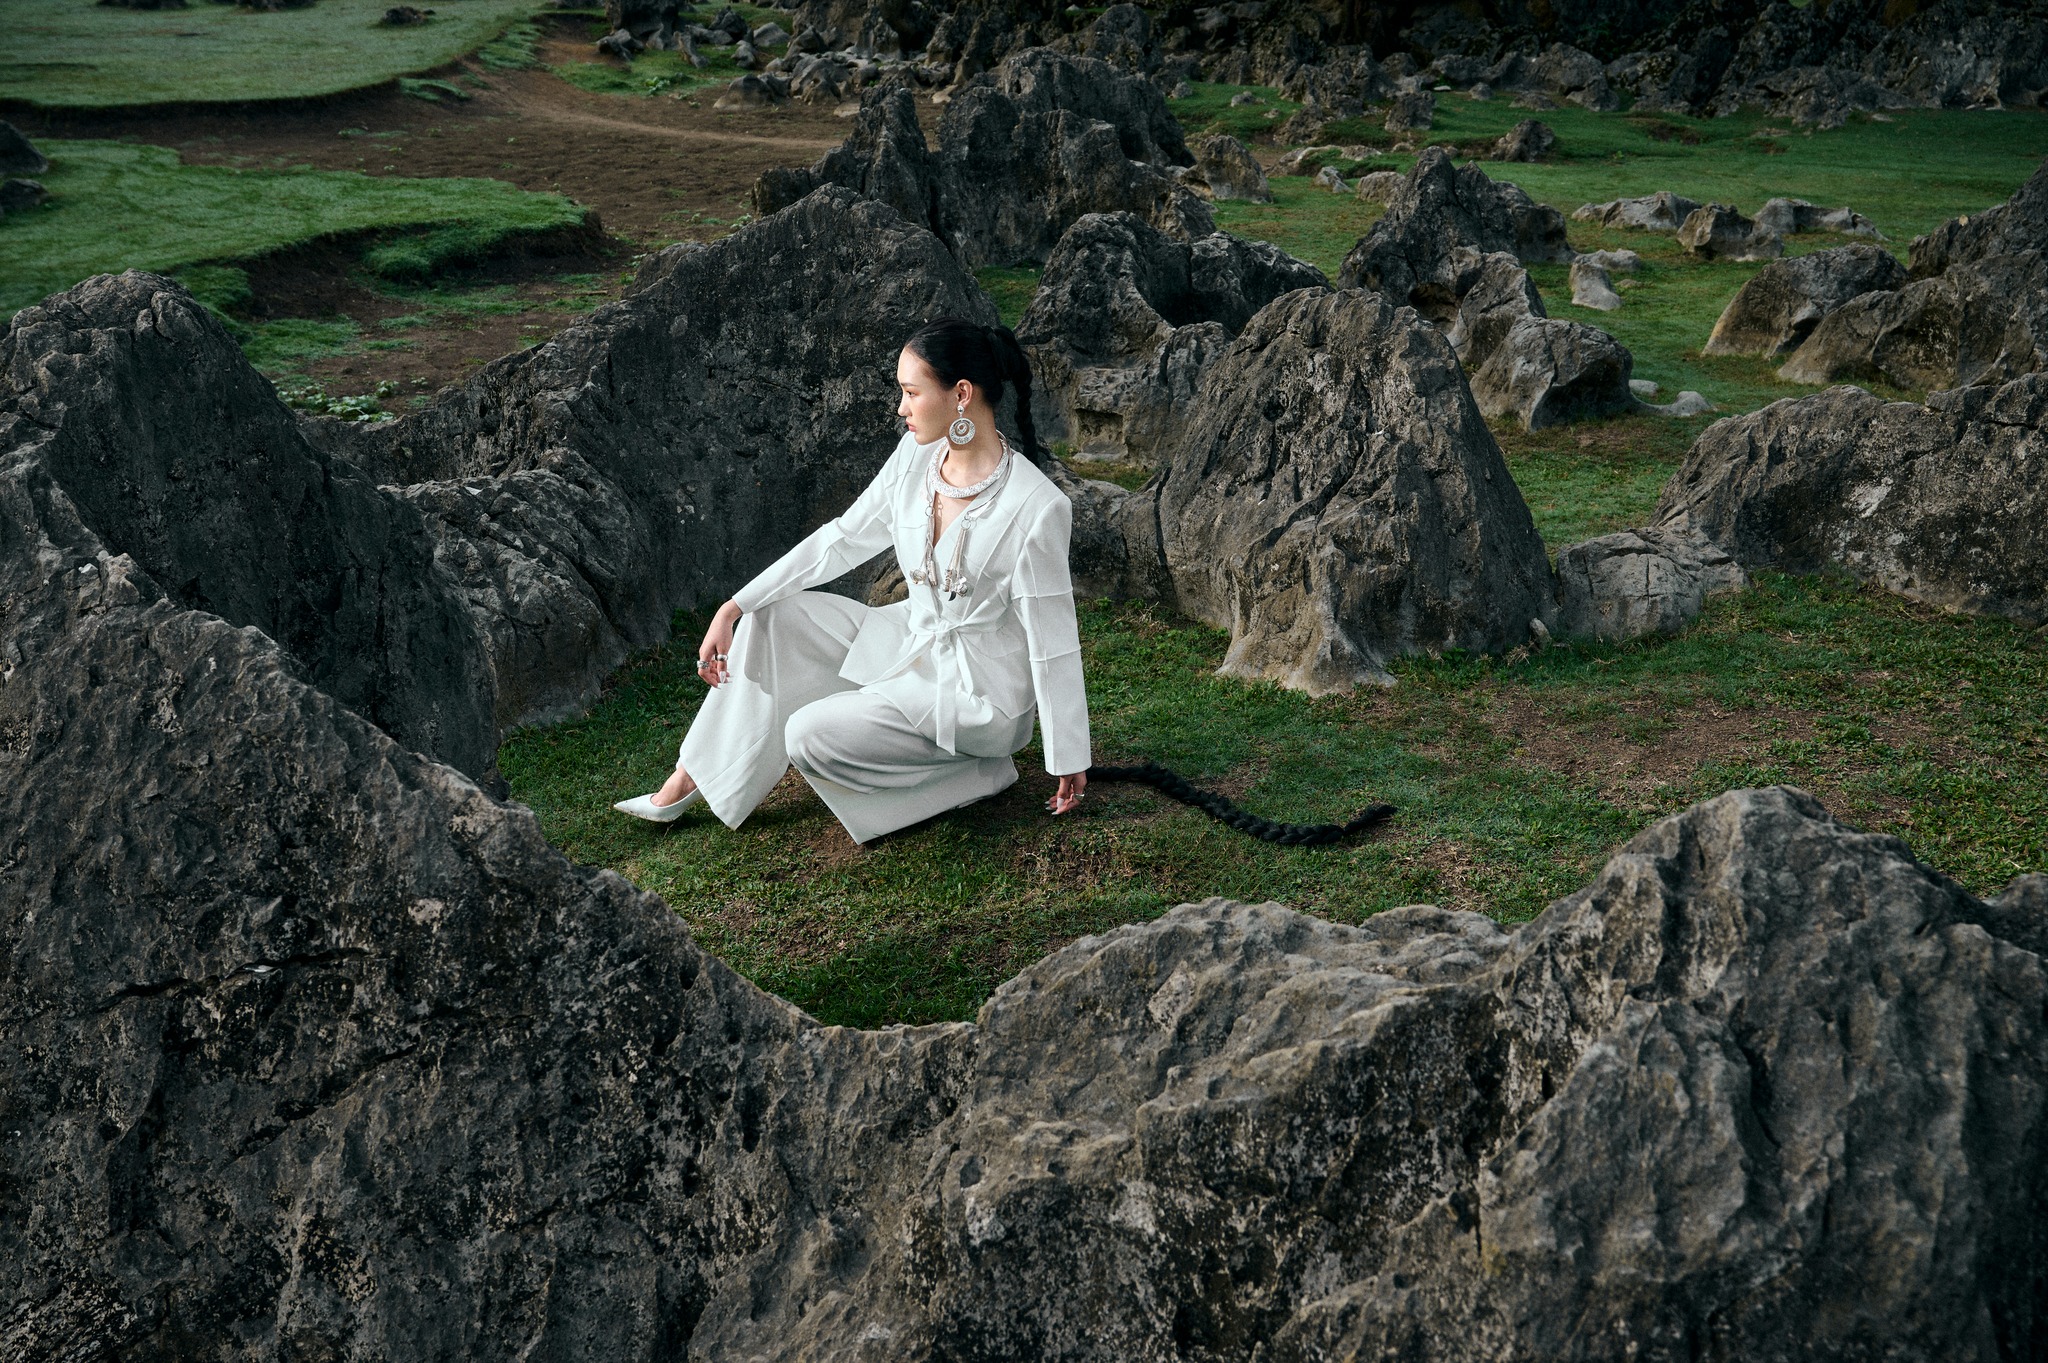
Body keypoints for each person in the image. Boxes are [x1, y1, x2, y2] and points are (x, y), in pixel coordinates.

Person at [611, 317, 1090, 844]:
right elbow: (842, 538)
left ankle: (976, 771)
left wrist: (1067, 755)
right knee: (772, 618)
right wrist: (735, 606)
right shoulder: (915, 456)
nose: (901, 408)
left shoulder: (1038, 506)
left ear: (960, 394)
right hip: (909, 639)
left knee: (807, 735)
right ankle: (688, 778)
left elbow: (1053, 638)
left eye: (911, 393)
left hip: (977, 696)